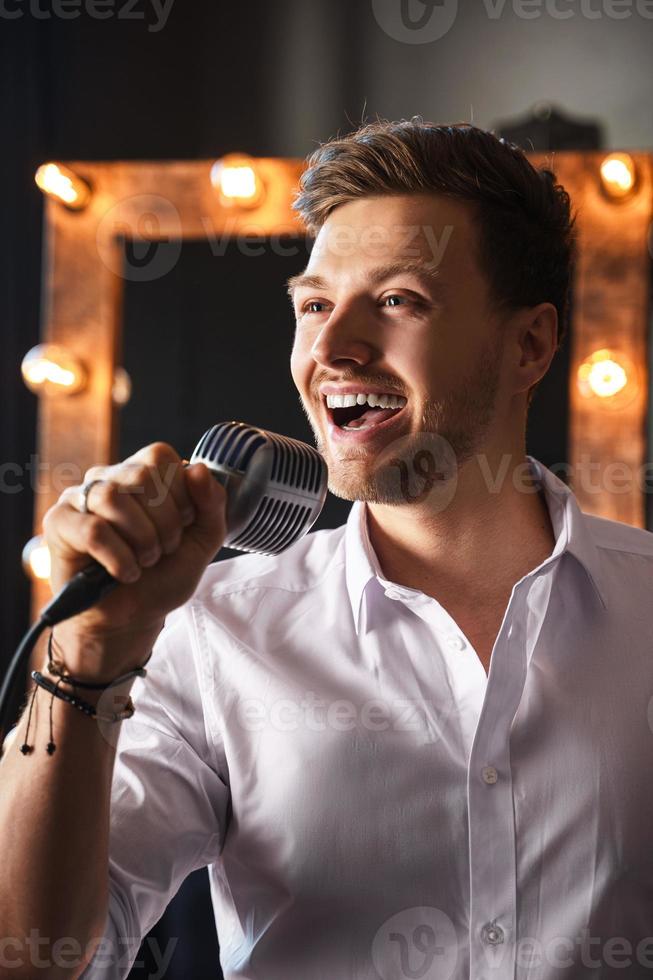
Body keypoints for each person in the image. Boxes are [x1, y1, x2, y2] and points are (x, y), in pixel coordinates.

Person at [2, 118, 653, 980]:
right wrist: (81, 662)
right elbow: (33, 960)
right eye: (313, 305)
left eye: (396, 301)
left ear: (527, 345)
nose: (331, 350)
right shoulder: (213, 632)